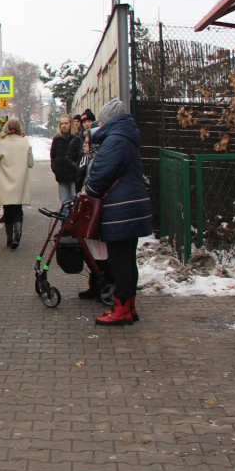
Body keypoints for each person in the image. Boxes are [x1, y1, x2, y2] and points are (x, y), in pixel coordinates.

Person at [81, 100, 153, 326]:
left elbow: (101, 173)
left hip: (120, 209)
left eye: (102, 121)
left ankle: (121, 309)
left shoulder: (115, 139)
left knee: (120, 262)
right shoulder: (126, 135)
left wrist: (88, 192)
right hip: (131, 206)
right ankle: (129, 306)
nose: (99, 125)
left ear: (109, 121)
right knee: (128, 260)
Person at [0, 118, 33, 249]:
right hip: (20, 183)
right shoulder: (25, 143)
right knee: (17, 209)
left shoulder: (1, 143)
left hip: (5, 182)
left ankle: (9, 238)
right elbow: (30, 163)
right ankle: (17, 236)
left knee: (7, 209)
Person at [50, 114, 82, 207]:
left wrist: (76, 169)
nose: (64, 125)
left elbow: (79, 157)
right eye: (62, 123)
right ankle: (65, 221)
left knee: (75, 202)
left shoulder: (76, 139)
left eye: (66, 123)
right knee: (64, 202)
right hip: (61, 176)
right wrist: (55, 169)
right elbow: (53, 156)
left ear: (70, 124)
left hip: (73, 177)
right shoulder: (57, 139)